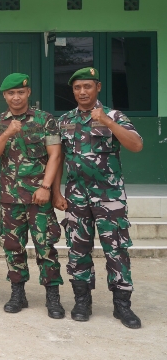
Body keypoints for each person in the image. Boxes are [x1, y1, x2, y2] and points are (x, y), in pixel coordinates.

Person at [57, 67, 144, 329]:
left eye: (87, 86)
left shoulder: (115, 115)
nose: (82, 92)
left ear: (98, 88)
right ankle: (82, 301)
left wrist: (106, 121)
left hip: (109, 197)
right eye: (77, 88)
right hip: (76, 196)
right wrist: (56, 191)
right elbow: (58, 157)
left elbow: (136, 145)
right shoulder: (65, 120)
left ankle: (122, 306)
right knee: (77, 250)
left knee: (116, 249)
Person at [0, 73, 65, 318]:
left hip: (39, 197)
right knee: (13, 247)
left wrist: (46, 188)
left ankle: (53, 295)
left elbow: (55, 155)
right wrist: (7, 133)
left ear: (28, 92)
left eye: (21, 92)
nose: (16, 97)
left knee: (46, 247)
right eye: (11, 93)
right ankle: (17, 293)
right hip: (10, 199)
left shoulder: (45, 120)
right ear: (4, 96)